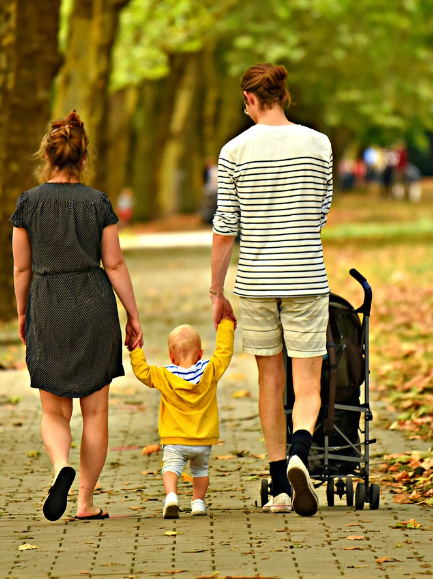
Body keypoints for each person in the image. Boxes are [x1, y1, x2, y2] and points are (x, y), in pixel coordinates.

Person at [210, 63, 333, 517]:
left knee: (269, 380)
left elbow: (226, 228)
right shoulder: (318, 144)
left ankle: (280, 485)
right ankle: (302, 450)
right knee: (307, 382)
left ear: (250, 100)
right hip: (305, 276)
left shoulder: (234, 151)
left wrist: (215, 289)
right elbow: (322, 211)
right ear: (284, 95)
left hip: (256, 282)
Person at [10, 110, 143, 522]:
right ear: (83, 158)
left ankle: (59, 467)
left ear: (47, 157)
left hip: (47, 303)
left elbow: (20, 269)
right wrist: (133, 316)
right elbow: (116, 265)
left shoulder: (28, 204)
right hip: (93, 303)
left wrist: (22, 313)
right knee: (96, 413)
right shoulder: (98, 202)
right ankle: (84, 502)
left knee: (54, 411)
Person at [129, 319, 235, 519]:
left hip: (174, 439)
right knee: (200, 471)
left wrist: (136, 349)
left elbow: (142, 372)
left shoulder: (164, 375)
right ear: (200, 354)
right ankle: (198, 503)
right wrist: (226, 325)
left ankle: (171, 497)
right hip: (203, 440)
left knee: (170, 468)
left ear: (171, 356)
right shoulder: (209, 371)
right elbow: (224, 353)